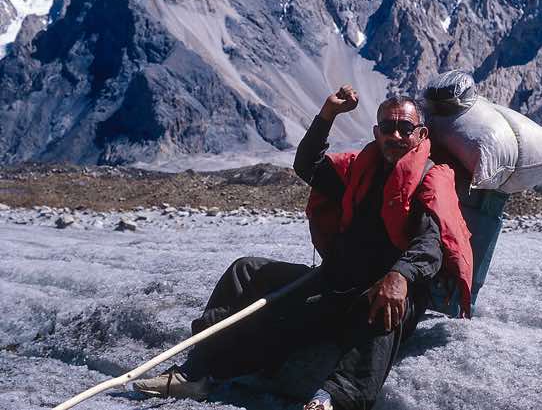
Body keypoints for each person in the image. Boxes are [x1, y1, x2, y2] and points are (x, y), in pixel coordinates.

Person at [133, 85, 473, 410]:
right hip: (338, 280)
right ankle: (198, 372)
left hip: (388, 287)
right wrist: (328, 114)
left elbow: (432, 244)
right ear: (376, 131)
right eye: (388, 127)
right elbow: (308, 165)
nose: (396, 135)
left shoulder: (432, 176)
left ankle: (335, 400)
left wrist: (400, 274)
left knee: (381, 310)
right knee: (245, 270)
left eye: (405, 128)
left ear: (421, 135)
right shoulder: (361, 169)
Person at [421, 70, 509, 317]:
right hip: (476, 196)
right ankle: (458, 303)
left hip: (464, 192)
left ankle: (454, 302)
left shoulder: (449, 133)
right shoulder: (465, 132)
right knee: (467, 249)